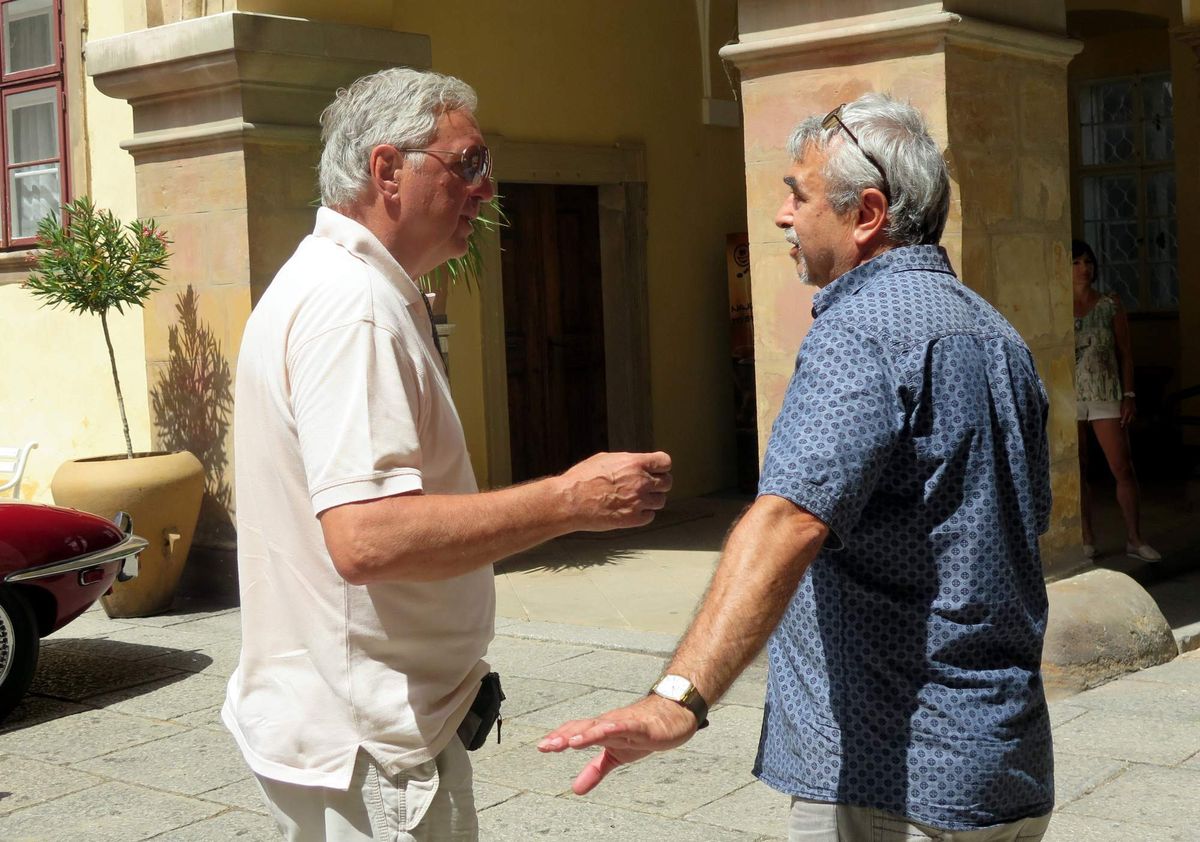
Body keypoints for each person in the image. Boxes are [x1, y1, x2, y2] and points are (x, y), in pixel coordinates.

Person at [539, 93, 1055, 841]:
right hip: (1003, 765)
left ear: (867, 214)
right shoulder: (997, 333)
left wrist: (679, 697)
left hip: (893, 781)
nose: (783, 215)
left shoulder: (861, 329)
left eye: (799, 194)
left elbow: (786, 521)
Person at [222, 67, 672, 842]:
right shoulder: (352, 306)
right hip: (370, 746)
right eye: (468, 163)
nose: (487, 189)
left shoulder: (338, 285)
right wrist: (568, 500)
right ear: (386, 170)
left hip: (351, 728)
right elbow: (367, 538)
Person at [1072, 239, 1160, 562]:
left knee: (1121, 465)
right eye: (1076, 262)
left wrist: (1129, 394)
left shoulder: (1110, 304)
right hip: (1069, 396)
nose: (1084, 268)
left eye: (1088, 261)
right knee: (1077, 468)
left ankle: (1135, 538)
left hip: (1105, 393)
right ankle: (1086, 537)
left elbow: (1126, 353)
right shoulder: (1057, 305)